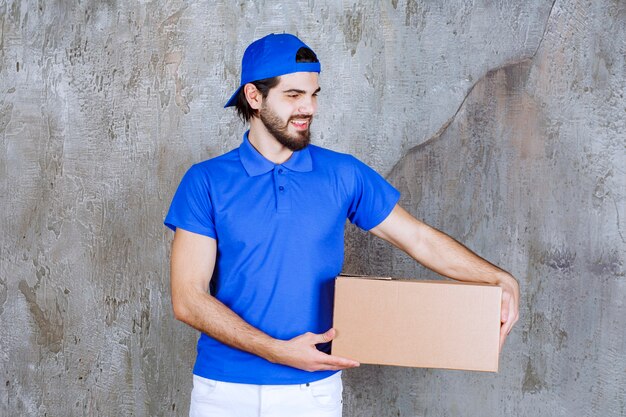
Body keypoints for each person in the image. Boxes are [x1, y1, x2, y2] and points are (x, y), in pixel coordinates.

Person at [164, 33, 520, 417]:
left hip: (311, 391)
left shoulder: (343, 173)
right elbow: (188, 298)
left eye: (314, 94)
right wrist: (277, 350)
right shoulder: (205, 181)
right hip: (224, 390)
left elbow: (418, 239)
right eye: (293, 95)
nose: (308, 108)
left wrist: (499, 278)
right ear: (254, 97)